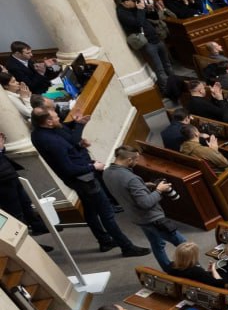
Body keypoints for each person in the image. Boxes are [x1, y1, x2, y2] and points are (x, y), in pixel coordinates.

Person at [30, 110, 150, 257]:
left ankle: (104, 240)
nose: (58, 119)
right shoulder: (52, 141)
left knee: (90, 210)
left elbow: (69, 147)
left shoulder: (38, 134)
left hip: (78, 179)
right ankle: (127, 247)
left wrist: (79, 139)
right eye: (55, 117)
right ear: (48, 122)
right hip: (84, 179)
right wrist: (92, 167)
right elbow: (68, 168)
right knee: (107, 214)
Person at [101, 145, 188, 270]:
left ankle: (168, 269)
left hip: (137, 218)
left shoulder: (107, 172)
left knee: (158, 244)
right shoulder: (131, 179)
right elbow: (145, 203)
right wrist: (159, 190)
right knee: (185, 244)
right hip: (153, 218)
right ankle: (197, 271)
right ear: (129, 160)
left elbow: (124, 189)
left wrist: (144, 185)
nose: (137, 163)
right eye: (136, 160)